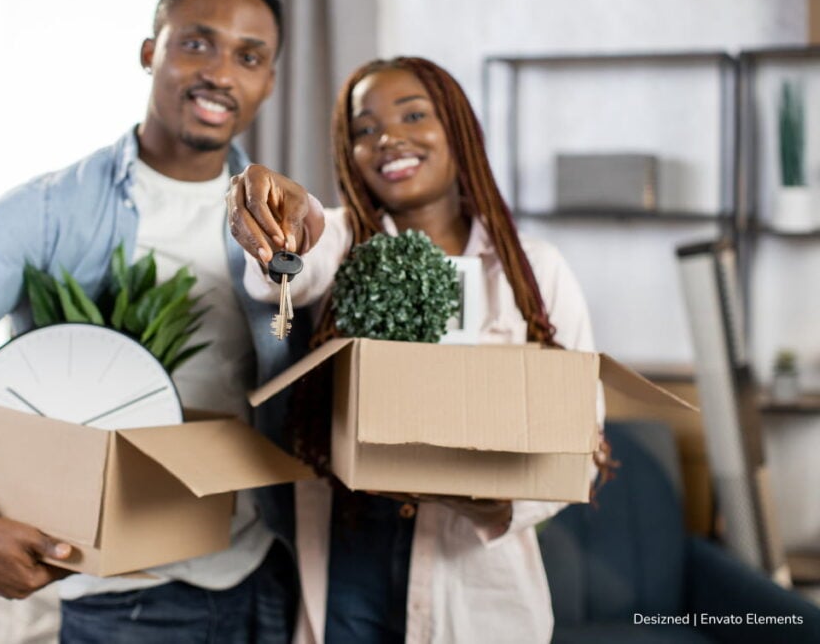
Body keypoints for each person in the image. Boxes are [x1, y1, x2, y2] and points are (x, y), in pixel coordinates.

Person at [0, 0, 320, 642]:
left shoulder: (289, 225)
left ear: (269, 81)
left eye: (249, 56)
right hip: (119, 600)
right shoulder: (52, 210)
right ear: (150, 50)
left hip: (265, 577)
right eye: (196, 43)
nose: (221, 72)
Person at [228, 56, 605, 643]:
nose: (388, 139)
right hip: (352, 548)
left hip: (474, 573)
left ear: (457, 128)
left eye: (413, 115)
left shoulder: (534, 269)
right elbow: (284, 277)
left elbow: (583, 433)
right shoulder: (342, 242)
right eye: (364, 129)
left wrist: (494, 507)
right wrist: (283, 225)